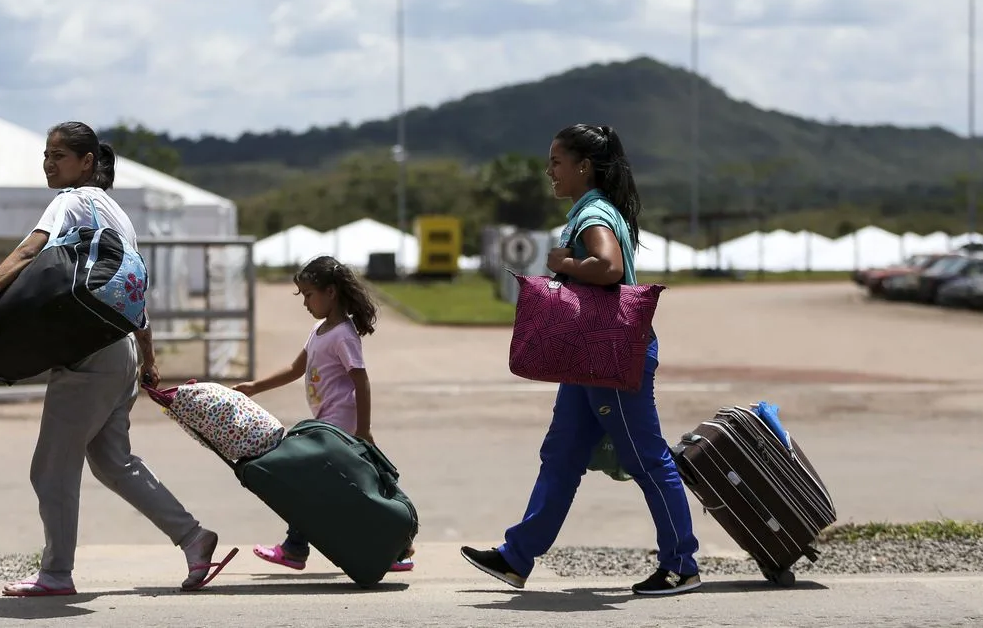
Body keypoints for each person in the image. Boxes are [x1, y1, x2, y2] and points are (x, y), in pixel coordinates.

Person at [0, 121, 237, 597]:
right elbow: (130, 290)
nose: (49, 164)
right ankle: (194, 538)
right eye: (46, 156)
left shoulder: (70, 201)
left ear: (86, 162)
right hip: (120, 351)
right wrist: (147, 356)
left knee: (50, 469)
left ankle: (55, 574)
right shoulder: (118, 215)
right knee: (113, 462)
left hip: (89, 355)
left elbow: (30, 250)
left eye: (58, 156)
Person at [460, 123, 702, 596]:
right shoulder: (590, 210)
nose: (549, 170)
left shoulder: (593, 213)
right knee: (562, 454)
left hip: (609, 355)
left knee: (647, 459)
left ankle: (681, 564)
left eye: (556, 161)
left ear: (583, 166)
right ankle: (516, 557)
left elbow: (608, 267)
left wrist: (563, 264)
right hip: (587, 357)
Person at [233, 255, 414, 572]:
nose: (305, 302)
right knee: (343, 491)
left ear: (331, 292)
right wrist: (255, 387)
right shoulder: (319, 330)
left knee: (311, 483)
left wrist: (364, 430)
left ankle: (295, 548)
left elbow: (362, 381)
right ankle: (396, 550)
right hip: (326, 426)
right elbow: (295, 369)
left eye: (309, 294)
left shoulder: (343, 335)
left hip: (340, 429)